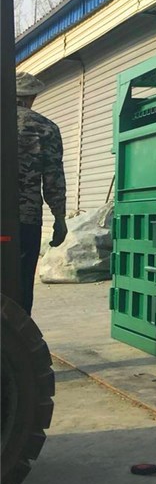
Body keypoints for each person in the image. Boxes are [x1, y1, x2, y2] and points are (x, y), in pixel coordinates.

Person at [16, 71, 68, 314]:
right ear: (31, 97)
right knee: (22, 281)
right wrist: (59, 218)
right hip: (26, 218)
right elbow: (53, 178)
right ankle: (19, 333)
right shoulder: (45, 127)